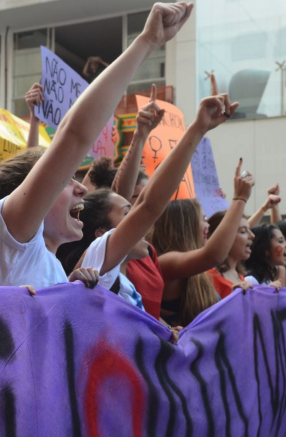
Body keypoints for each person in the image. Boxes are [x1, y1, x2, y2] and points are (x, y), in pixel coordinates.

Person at [0, 2, 194, 289]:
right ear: (28, 194)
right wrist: (147, 42)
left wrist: (68, 296)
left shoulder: (53, 269)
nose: (82, 187)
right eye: (64, 180)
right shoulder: (10, 245)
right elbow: (73, 137)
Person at [57, 85, 238, 311]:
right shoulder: (96, 264)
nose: (139, 216)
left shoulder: (133, 270)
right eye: (127, 211)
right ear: (102, 233)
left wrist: (163, 331)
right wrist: (196, 130)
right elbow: (148, 205)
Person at [150, 159, 253, 326]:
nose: (208, 226)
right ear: (185, 226)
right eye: (204, 220)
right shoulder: (165, 262)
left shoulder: (199, 272)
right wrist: (240, 198)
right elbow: (213, 256)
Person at [204, 211, 253, 299]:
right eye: (243, 231)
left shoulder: (240, 276)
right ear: (224, 237)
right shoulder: (208, 277)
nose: (252, 235)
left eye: (250, 230)